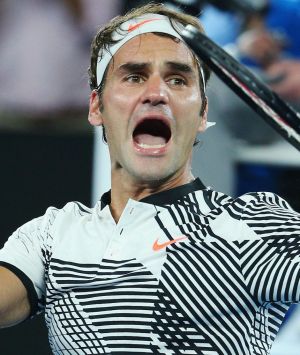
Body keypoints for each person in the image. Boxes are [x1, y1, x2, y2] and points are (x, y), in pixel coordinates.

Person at [0, 3, 299, 354]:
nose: (156, 94)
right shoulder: (49, 236)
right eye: (135, 76)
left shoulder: (253, 224)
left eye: (177, 79)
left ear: (203, 112)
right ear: (96, 107)